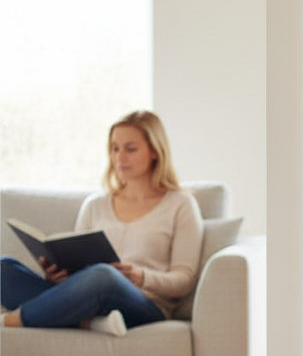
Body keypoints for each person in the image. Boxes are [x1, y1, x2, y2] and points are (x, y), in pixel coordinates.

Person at [1, 111, 202, 336]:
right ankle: (89, 322)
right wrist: (58, 277)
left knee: (103, 275)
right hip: (88, 296)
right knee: (3, 267)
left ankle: (11, 320)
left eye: (130, 149)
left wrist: (141, 276)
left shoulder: (181, 204)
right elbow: (79, 272)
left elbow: (185, 280)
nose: (120, 158)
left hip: (145, 305)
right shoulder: (95, 204)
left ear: (155, 151)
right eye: (115, 149)